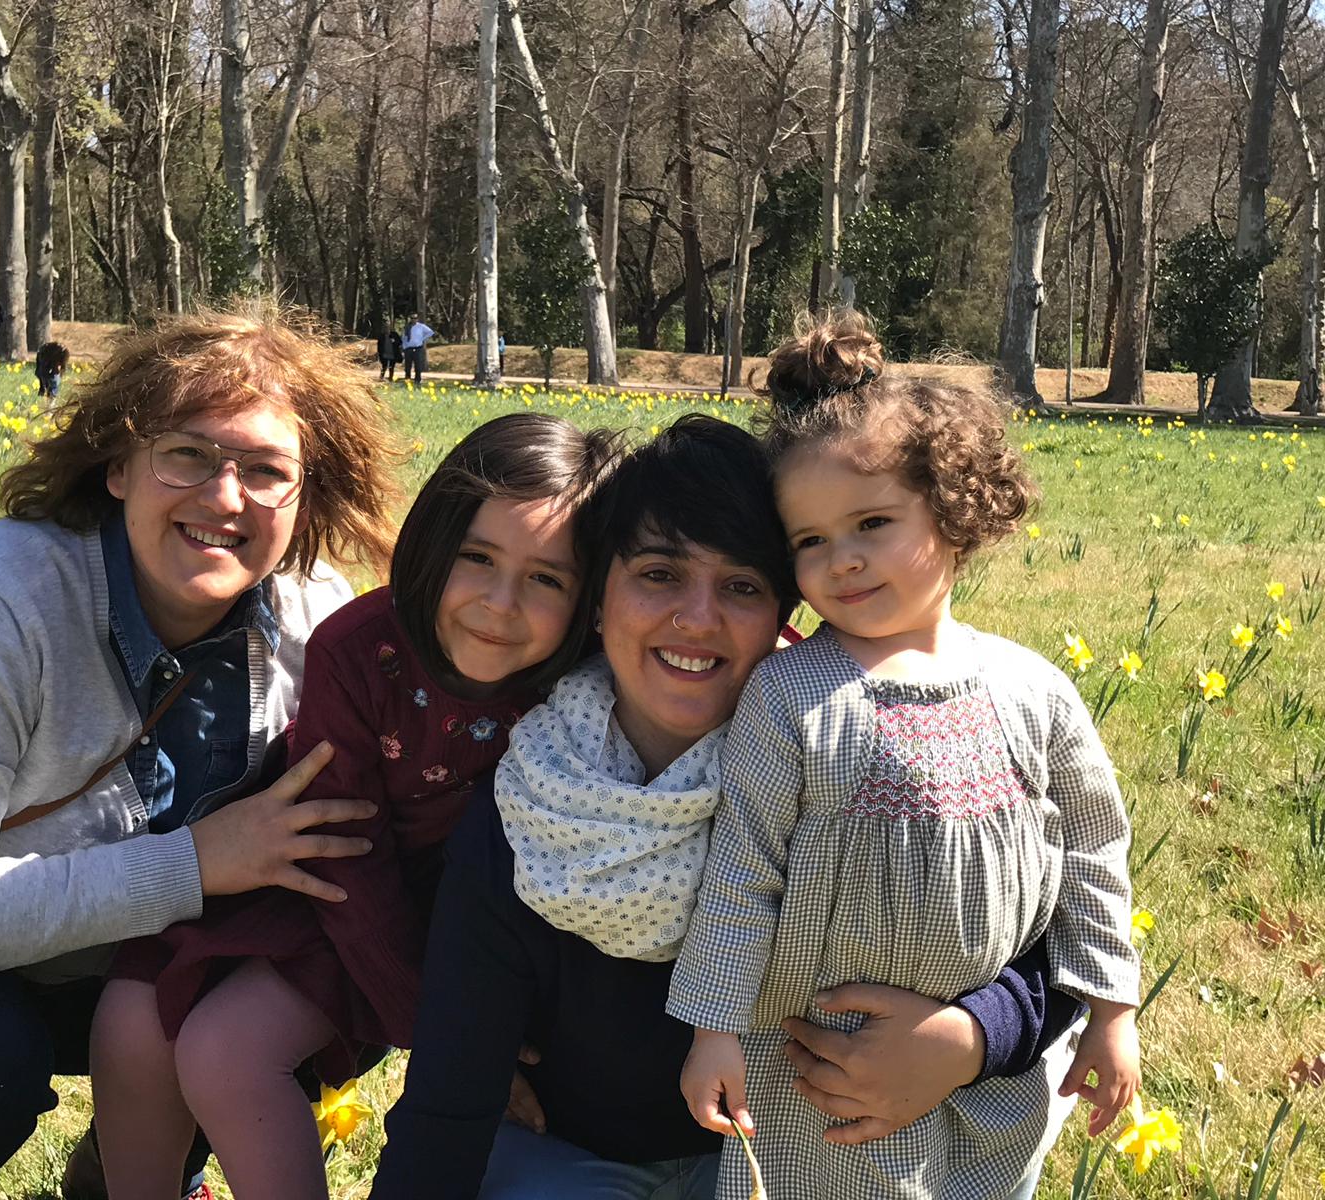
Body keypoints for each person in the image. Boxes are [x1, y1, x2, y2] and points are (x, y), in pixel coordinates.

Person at [0, 308, 402, 1200]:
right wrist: (196, 865)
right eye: (190, 456)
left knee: (286, 988)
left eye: (266, 470)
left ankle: (130, 1178)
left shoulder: (314, 617)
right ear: (119, 465)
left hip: (103, 965)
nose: (225, 497)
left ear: (306, 495)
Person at [369, 415, 1082, 1200]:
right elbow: (446, 1104)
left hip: (795, 1167)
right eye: (658, 574)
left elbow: (1057, 940)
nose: (699, 619)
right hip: (564, 1159)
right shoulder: (535, 805)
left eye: (741, 586)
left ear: (784, 613)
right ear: (597, 598)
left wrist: (973, 1039)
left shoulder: (850, 775)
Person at [93, 413, 622, 1199]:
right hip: (328, 888)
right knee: (132, 1018)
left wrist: (455, 1046)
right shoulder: (360, 649)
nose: (500, 602)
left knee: (226, 1051)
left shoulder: (592, 674)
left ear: (592, 596)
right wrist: (439, 1037)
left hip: (468, 923)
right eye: (476, 557)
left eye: (547, 578)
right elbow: (346, 853)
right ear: (434, 540)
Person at [671, 312, 1139, 1200]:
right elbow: (742, 871)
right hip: (813, 1075)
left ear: (956, 508)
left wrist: (1112, 1012)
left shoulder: (1034, 689)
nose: (841, 560)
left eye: (873, 523)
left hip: (993, 1083)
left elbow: (1092, 856)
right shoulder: (790, 694)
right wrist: (713, 1028)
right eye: (809, 541)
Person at [403, 313, 435, 383]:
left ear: (417, 319)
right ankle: (407, 379)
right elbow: (404, 337)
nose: (413, 320)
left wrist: (422, 338)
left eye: (415, 318)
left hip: (418, 348)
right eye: (412, 318)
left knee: (418, 365)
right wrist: (404, 346)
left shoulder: (421, 326)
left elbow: (430, 332)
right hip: (409, 348)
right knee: (408, 365)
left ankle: (418, 379)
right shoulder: (407, 327)